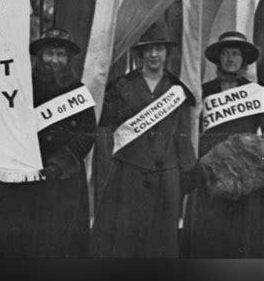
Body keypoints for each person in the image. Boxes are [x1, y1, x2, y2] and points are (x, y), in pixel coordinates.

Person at [0, 28, 97, 257]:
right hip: (22, 177)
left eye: (60, 54)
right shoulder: (21, 88)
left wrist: (60, 164)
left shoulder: (78, 91)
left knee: (59, 241)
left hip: (63, 179)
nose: (54, 60)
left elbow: (88, 133)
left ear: (68, 59)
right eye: (49, 54)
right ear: (39, 57)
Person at [91, 22, 197, 258]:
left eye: (159, 49)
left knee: (162, 239)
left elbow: (182, 134)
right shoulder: (122, 86)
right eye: (148, 49)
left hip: (165, 174)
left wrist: (187, 171)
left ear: (167, 53)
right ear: (139, 54)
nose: (153, 55)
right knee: (127, 237)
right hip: (130, 170)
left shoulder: (176, 90)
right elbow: (103, 118)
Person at [182, 31, 264, 258]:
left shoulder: (257, 93)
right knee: (209, 232)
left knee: (242, 233)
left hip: (245, 174)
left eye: (236, 53)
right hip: (209, 172)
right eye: (226, 53)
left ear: (244, 60)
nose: (230, 58)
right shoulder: (203, 92)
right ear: (218, 58)